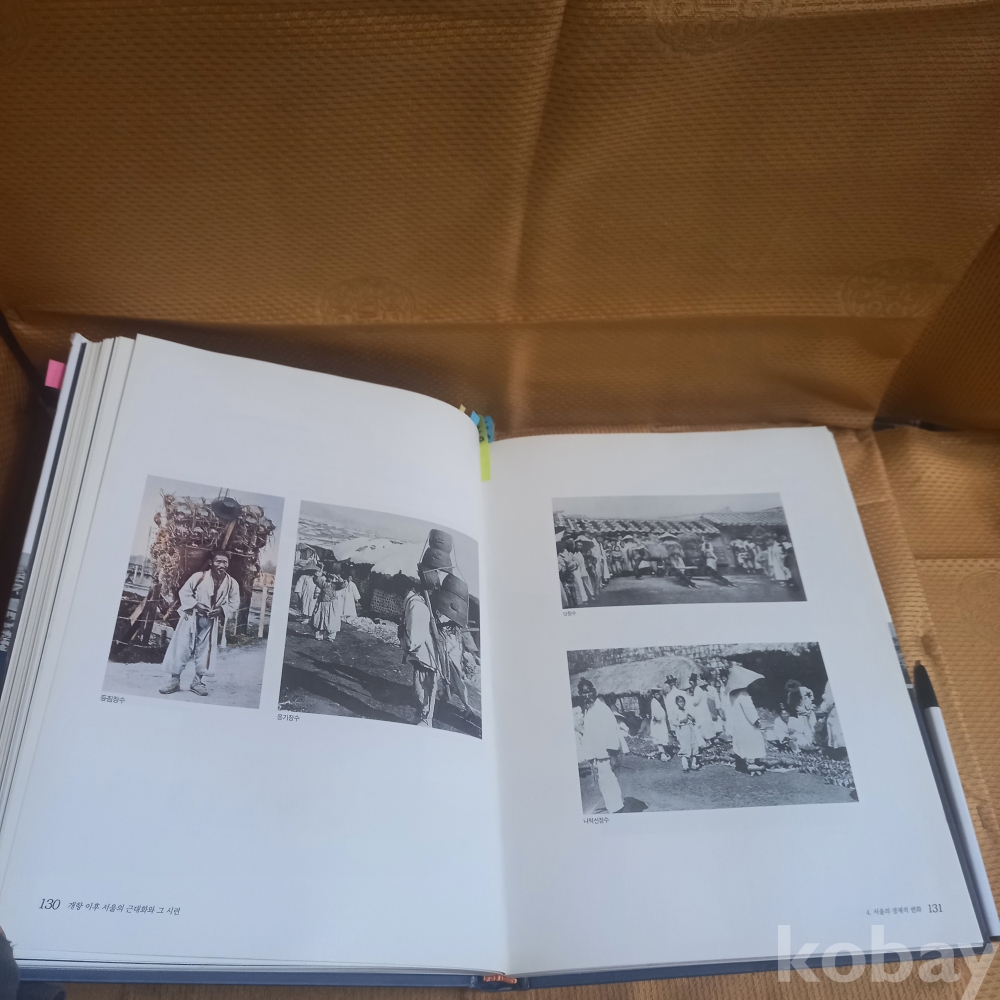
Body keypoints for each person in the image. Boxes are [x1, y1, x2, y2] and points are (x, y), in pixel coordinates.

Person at [159, 551, 241, 697]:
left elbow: (235, 603)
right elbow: (184, 593)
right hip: (191, 617)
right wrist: (196, 605)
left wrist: (221, 610)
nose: (221, 565)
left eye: (225, 562)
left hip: (210, 620)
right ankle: (174, 681)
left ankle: (197, 682)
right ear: (211, 563)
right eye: (218, 561)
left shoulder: (231, 583)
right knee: (181, 647)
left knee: (206, 650)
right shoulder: (199, 577)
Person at [578, 679, 625, 813]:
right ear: (580, 694)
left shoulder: (602, 708)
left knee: (610, 783)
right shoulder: (589, 710)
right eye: (583, 693)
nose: (587, 695)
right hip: (598, 756)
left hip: (607, 755)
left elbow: (611, 732)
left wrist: (613, 756)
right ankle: (615, 808)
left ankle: (617, 811)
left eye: (588, 692)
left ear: (594, 692)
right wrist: (590, 757)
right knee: (605, 784)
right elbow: (589, 734)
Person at [727, 664, 767, 775]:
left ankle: (743, 763)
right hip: (747, 724)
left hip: (738, 723)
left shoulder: (731, 694)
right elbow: (749, 710)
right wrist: (756, 721)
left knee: (742, 743)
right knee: (753, 741)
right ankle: (752, 764)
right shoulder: (743, 694)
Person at [668, 692, 700, 771]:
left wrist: (692, 718)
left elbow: (692, 719)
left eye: (683, 701)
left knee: (694, 745)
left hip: (690, 729)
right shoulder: (676, 711)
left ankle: (693, 763)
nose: (682, 703)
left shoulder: (686, 710)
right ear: (677, 703)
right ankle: (685, 765)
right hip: (683, 730)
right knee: (685, 747)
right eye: (680, 702)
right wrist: (681, 721)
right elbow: (673, 722)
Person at [311, 569, 344, 641]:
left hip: (331, 604)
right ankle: (319, 635)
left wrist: (338, 577)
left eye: (331, 578)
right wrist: (320, 571)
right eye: (329, 577)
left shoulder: (334, 585)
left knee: (332, 619)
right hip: (323, 603)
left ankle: (331, 636)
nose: (330, 579)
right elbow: (316, 580)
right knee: (320, 618)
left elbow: (343, 585)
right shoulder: (323, 583)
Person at [817, 681, 846, 757]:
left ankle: (840, 752)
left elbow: (829, 699)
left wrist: (824, 708)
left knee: (836, 731)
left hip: (835, 711)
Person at [649, 688, 672, 761]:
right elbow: (655, 714)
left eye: (659, 694)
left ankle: (664, 753)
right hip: (658, 724)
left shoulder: (657, 702)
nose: (658, 696)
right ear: (653, 695)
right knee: (659, 738)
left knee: (662, 737)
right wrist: (658, 718)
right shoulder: (654, 702)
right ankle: (662, 754)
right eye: (656, 694)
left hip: (661, 723)